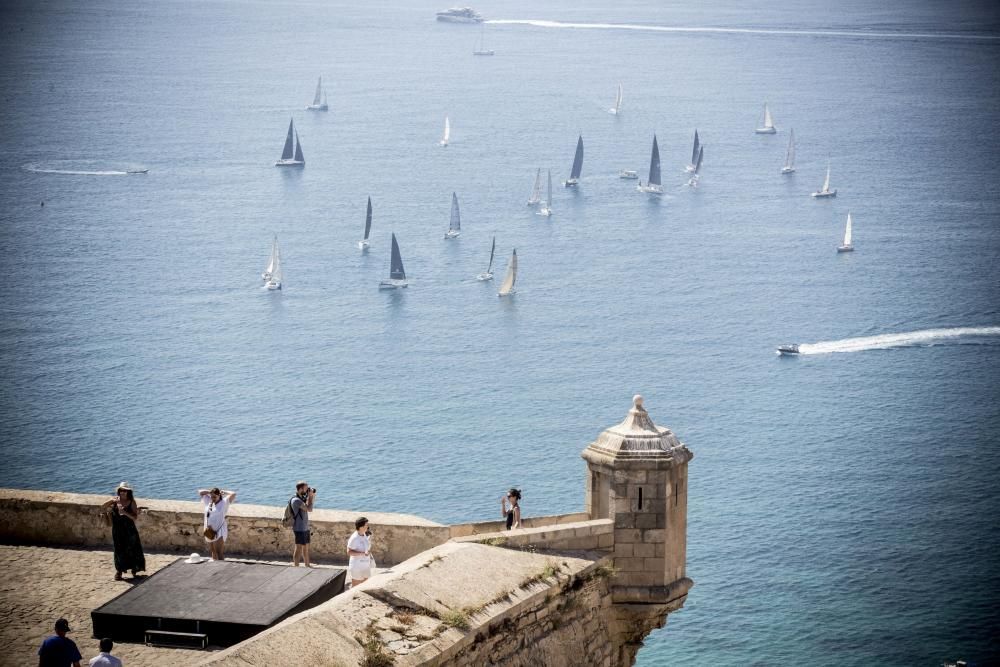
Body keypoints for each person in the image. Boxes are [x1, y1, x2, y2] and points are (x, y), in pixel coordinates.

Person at [100, 482, 145, 581]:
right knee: (119, 549)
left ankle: (134, 569)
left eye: (125, 491)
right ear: (119, 491)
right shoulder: (115, 501)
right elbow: (102, 507)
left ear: (128, 492)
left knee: (132, 548)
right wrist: (111, 501)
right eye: (121, 490)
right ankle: (119, 571)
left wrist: (124, 512)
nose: (123, 492)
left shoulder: (131, 502)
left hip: (129, 529)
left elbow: (134, 517)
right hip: (117, 529)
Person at [197, 487, 236, 561]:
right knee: (213, 551)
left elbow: (233, 494)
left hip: (219, 530)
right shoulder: (208, 501)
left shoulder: (224, 502)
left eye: (215, 496)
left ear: (219, 495)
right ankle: (215, 567)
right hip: (208, 530)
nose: (213, 498)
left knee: (219, 552)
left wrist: (223, 491)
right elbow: (200, 492)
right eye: (212, 496)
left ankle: (222, 569)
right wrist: (210, 492)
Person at [290, 481, 316, 567]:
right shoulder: (296, 500)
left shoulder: (301, 498)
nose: (307, 489)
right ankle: (296, 566)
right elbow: (309, 509)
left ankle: (307, 565)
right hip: (299, 528)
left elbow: (309, 505)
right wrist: (311, 497)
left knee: (306, 548)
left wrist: (310, 496)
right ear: (301, 489)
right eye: (306, 488)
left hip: (305, 527)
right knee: (298, 548)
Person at [346, 517, 373, 587]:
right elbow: (349, 552)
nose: (368, 527)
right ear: (361, 527)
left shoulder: (364, 534)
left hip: (365, 565)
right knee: (356, 587)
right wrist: (363, 554)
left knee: (365, 586)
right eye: (366, 525)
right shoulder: (354, 538)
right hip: (356, 566)